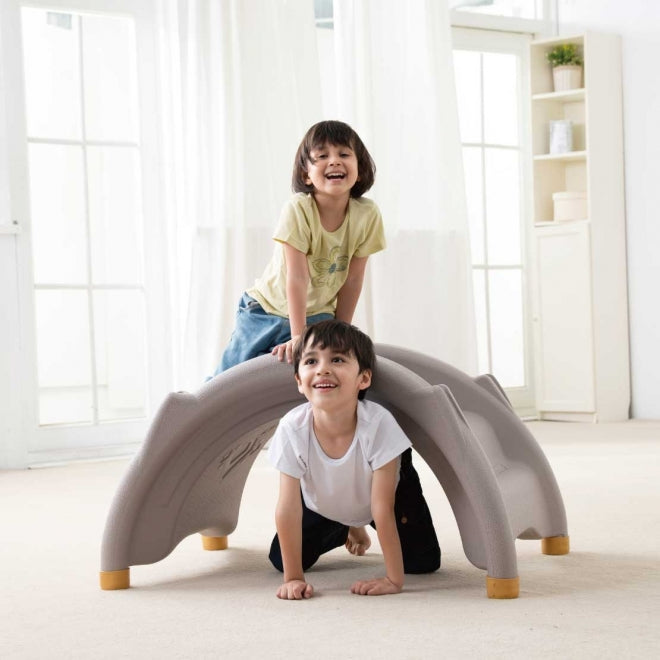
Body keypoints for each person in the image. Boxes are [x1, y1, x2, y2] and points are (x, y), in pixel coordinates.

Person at [267, 319, 441, 599]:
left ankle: (357, 517)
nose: (322, 369)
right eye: (311, 361)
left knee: (423, 561)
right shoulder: (292, 428)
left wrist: (393, 580)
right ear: (299, 381)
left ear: (364, 379)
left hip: (387, 491)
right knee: (279, 559)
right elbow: (287, 508)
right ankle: (346, 524)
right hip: (326, 500)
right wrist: (294, 578)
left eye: (337, 359)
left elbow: (382, 507)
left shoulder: (379, 424)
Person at [212, 120, 385, 376]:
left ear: (359, 169)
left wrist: (341, 331)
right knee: (230, 377)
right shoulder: (299, 209)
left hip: (318, 315)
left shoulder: (367, 215)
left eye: (344, 154)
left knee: (303, 376)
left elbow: (353, 279)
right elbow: (297, 276)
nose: (334, 161)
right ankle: (195, 399)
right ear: (306, 174)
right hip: (265, 311)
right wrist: (298, 335)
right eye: (322, 156)